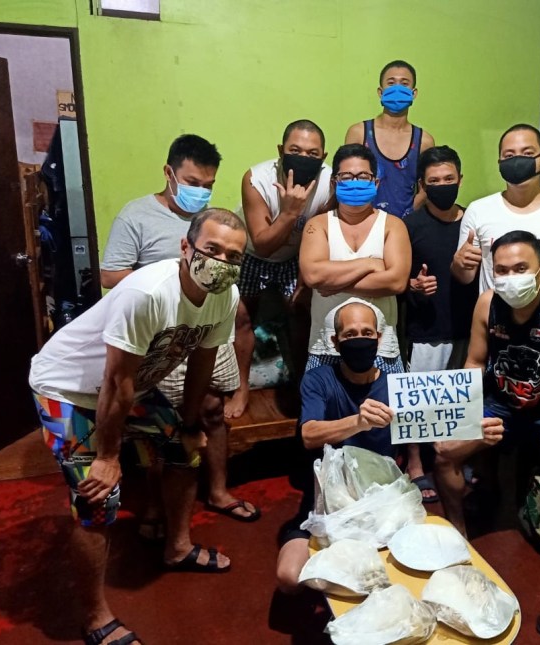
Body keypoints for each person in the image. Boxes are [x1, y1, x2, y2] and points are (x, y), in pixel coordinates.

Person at [31, 210, 245, 645]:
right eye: (212, 249)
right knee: (96, 494)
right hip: (69, 387)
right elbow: (115, 382)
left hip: (129, 385)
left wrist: (188, 424)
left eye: (233, 256)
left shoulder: (225, 295)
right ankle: (95, 618)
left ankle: (178, 547)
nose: (222, 262)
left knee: (186, 452)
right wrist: (109, 457)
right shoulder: (148, 293)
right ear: (185, 248)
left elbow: (202, 362)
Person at [275, 298, 500, 593]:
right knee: (289, 577)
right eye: (350, 334)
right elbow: (309, 434)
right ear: (335, 341)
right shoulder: (319, 379)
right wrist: (358, 421)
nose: (360, 340)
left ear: (379, 339)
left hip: (387, 495)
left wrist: (474, 432)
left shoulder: (399, 383)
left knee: (420, 566)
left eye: (367, 333)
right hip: (331, 497)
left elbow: (439, 431)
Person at [434, 230, 540, 637]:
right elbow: (473, 362)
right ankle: (459, 539)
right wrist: (465, 420)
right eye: (501, 270)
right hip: (501, 406)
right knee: (444, 452)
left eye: (520, 269)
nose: (510, 278)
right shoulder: (488, 303)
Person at [99, 134, 259, 525]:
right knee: (164, 422)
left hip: (207, 324)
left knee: (211, 410)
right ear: (169, 174)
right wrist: (168, 285)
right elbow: (109, 274)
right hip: (161, 335)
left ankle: (218, 490)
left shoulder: (215, 223)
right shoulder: (136, 216)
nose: (200, 193)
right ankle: (157, 507)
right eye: (192, 183)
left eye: (208, 186)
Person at [232, 120, 334, 407]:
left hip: (295, 255)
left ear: (324, 157)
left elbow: (323, 229)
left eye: (313, 154)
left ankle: (305, 384)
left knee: (302, 314)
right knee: (242, 319)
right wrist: (289, 213)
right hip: (253, 253)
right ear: (281, 150)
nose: (303, 158)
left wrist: (305, 278)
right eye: (295, 150)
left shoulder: (330, 181)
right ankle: (241, 387)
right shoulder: (256, 178)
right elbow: (264, 243)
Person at [451, 124, 540, 314]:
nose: (518, 161)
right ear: (499, 162)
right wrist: (459, 264)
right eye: (509, 156)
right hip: (496, 324)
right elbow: (466, 276)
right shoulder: (478, 210)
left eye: (527, 153)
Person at [403, 145, 478, 502]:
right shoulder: (411, 226)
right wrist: (414, 286)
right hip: (428, 327)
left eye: (449, 179)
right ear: (423, 184)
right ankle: (415, 463)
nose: (443, 185)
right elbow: (399, 280)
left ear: (460, 179)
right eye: (434, 181)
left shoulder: (475, 221)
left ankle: (456, 457)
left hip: (470, 324)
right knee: (420, 399)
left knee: (462, 397)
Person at [299, 143, 411, 374]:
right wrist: (370, 264)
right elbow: (312, 275)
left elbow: (396, 282)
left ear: (376, 182)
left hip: (382, 349)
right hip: (326, 347)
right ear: (334, 182)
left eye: (363, 176)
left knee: (384, 411)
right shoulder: (318, 225)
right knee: (326, 411)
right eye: (347, 176)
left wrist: (332, 282)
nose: (355, 182)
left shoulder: (393, 225)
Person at [344, 60, 435, 218]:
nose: (397, 88)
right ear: (380, 92)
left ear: (414, 93)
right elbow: (346, 179)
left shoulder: (424, 141)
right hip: (362, 222)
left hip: (407, 226)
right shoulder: (359, 133)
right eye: (391, 83)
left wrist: (409, 212)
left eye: (404, 83)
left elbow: (427, 188)